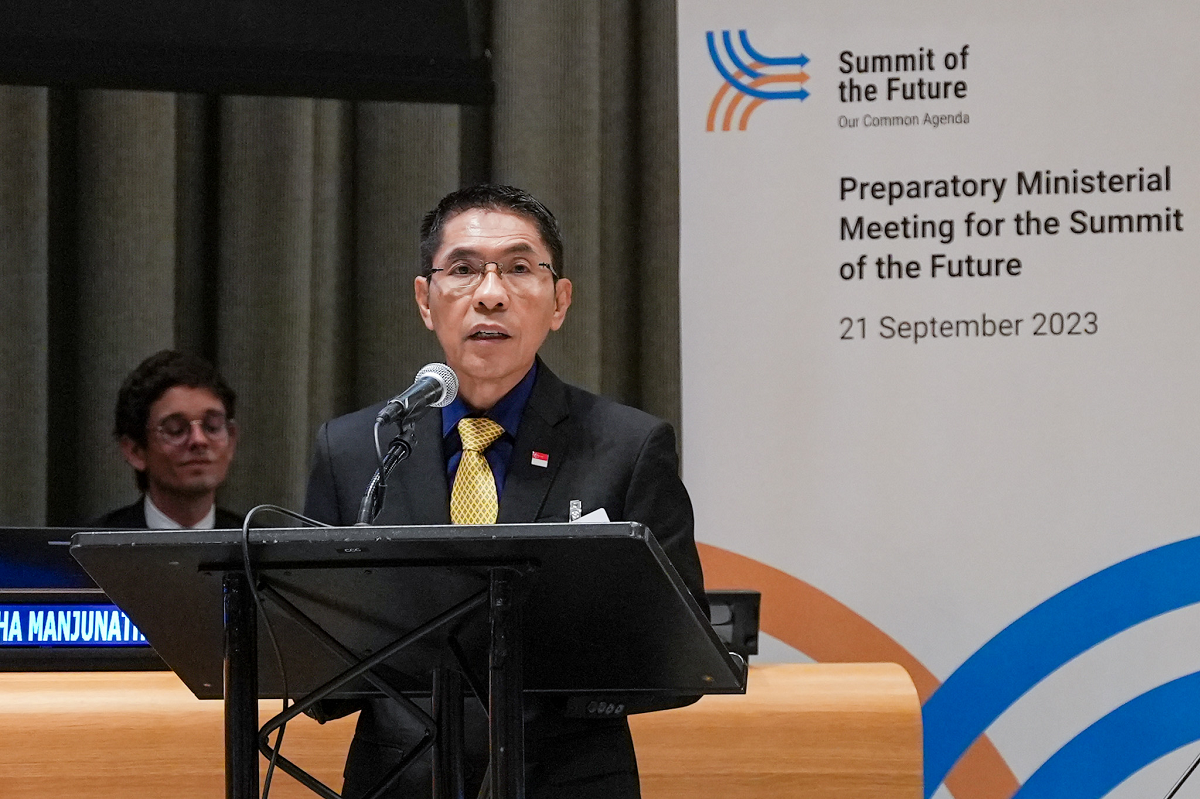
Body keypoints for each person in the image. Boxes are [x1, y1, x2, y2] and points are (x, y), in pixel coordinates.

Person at [304, 184, 706, 799]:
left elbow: (681, 656)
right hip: (400, 783)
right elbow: (316, 664)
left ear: (559, 300)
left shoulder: (628, 448)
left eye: (519, 269)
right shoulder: (357, 449)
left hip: (567, 782)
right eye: (462, 270)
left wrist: (544, 680)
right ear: (424, 299)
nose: (490, 295)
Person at [93, 349, 242, 529]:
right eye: (176, 430)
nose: (199, 440)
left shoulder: (263, 549)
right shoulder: (92, 550)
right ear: (135, 451)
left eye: (212, 426)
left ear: (231, 440)